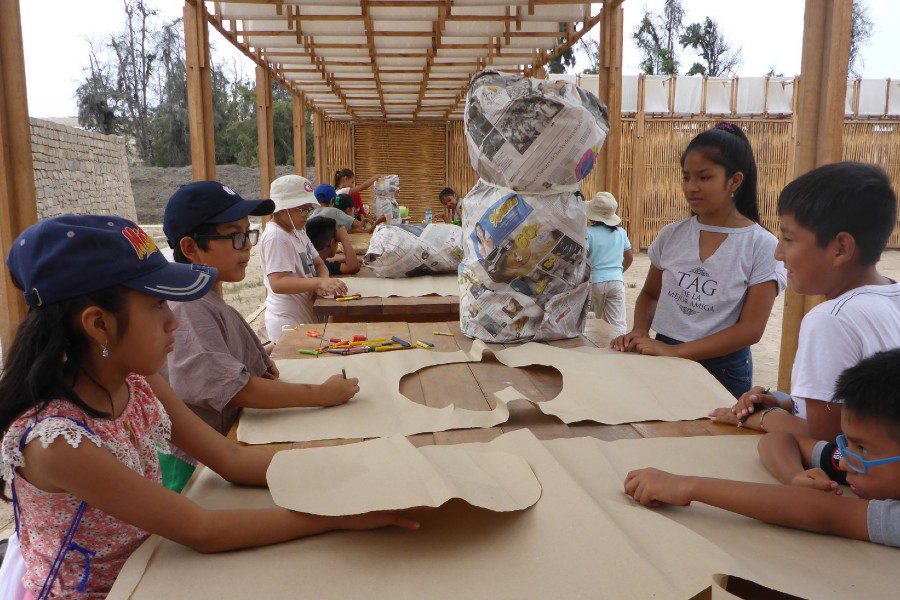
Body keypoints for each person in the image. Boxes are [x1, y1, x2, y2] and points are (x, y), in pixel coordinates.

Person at [0, 215, 417, 597]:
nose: (174, 322)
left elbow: (230, 458)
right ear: (98, 324)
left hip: (157, 565)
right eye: (157, 305)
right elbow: (202, 529)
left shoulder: (138, 382)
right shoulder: (56, 441)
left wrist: (351, 466)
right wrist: (338, 514)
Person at [161, 182, 361, 491]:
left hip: (226, 442)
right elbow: (233, 389)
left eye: (247, 234)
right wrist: (322, 394)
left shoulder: (205, 295)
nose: (248, 247)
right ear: (191, 248)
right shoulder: (189, 307)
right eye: (236, 237)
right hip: (197, 469)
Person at [625, 349, 900, 548]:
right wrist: (794, 476)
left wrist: (688, 486)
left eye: (862, 449)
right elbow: (778, 440)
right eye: (847, 442)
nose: (843, 462)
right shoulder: (859, 459)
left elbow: (825, 513)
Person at [709, 162, 900, 442]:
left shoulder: (831, 319)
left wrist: (759, 418)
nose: (778, 252)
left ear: (841, 248)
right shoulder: (891, 297)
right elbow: (856, 409)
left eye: (788, 238)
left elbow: (826, 438)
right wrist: (783, 402)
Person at [611, 122, 786, 399]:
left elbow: (751, 329)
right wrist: (640, 331)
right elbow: (649, 294)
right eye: (686, 177)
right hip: (663, 351)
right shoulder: (672, 235)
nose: (691, 188)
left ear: (735, 181)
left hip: (723, 368)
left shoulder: (761, 245)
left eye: (704, 178)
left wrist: (677, 352)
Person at [260, 175, 348, 343]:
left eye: (309, 209)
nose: (307, 215)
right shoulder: (276, 236)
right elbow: (278, 283)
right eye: (302, 209)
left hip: (303, 316)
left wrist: (323, 280)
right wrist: (317, 283)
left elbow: (319, 263)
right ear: (282, 208)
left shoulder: (297, 231)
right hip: (286, 321)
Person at [585, 192, 633, 336]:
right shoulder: (621, 232)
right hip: (616, 283)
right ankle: (617, 349)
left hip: (594, 283)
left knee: (582, 317)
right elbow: (629, 258)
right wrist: (617, 273)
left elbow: (583, 258)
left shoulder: (589, 233)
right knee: (617, 324)